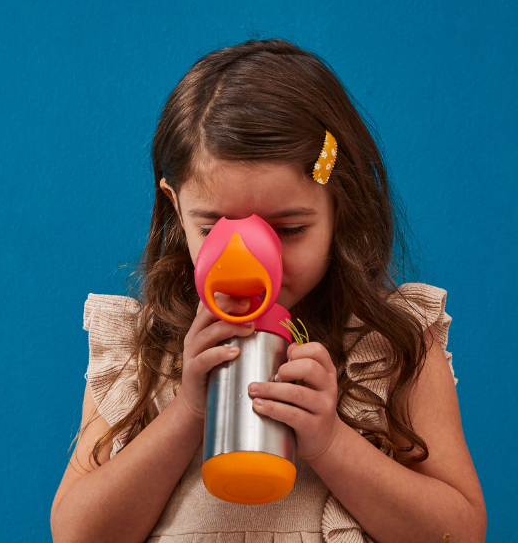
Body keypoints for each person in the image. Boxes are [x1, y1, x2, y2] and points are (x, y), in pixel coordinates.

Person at [50, 39, 485, 543]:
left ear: (339, 208)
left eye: (286, 230)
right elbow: (77, 533)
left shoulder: (391, 346)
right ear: (174, 206)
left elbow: (459, 533)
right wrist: (188, 410)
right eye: (213, 229)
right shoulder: (144, 347)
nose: (249, 261)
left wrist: (330, 442)